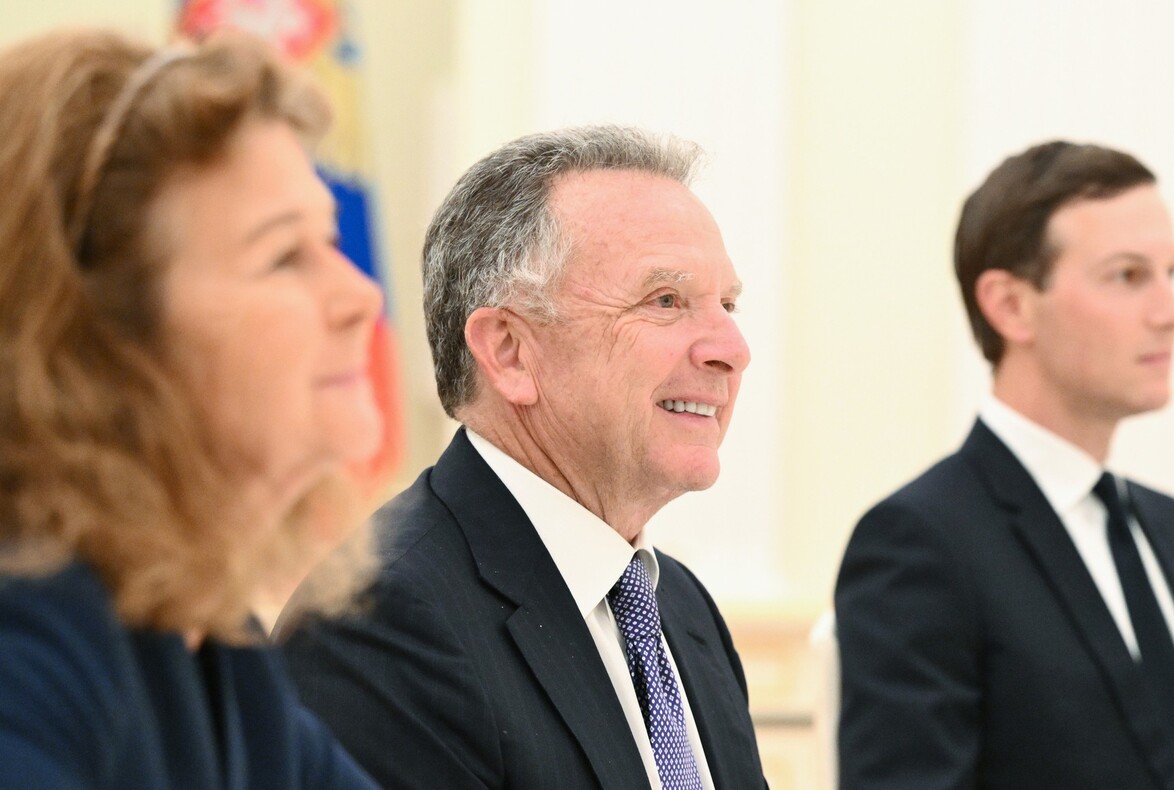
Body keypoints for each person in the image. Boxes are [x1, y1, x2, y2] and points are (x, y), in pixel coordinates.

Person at [278, 125, 768, 790]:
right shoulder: (377, 622)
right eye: (665, 301)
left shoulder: (678, 606)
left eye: (728, 304)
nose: (731, 349)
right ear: (509, 352)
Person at [0, 27, 385, 788]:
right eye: (283, 256)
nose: (362, 296)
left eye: (331, 241)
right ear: (97, 339)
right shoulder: (27, 640)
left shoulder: (220, 647)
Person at [834, 140, 1174, 789]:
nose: (1172, 312)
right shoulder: (920, 544)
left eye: (1171, 273)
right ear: (1011, 306)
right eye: (1128, 276)